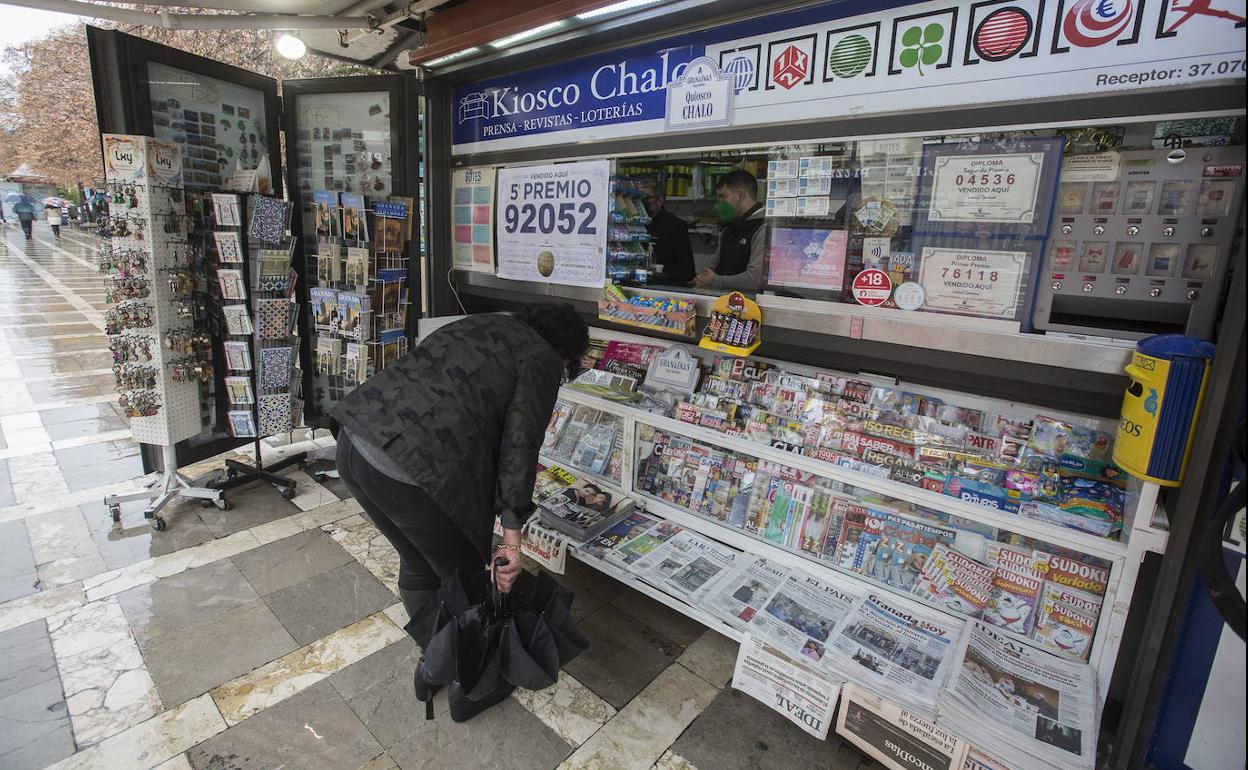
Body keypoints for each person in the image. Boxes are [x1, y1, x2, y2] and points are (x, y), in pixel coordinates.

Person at [333, 303, 589, 619]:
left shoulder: (482, 321)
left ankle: (436, 659)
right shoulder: (541, 357)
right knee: (466, 581)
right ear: (566, 352)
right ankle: (460, 665)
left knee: (418, 564)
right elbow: (520, 446)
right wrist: (511, 540)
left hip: (354, 443)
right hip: (407, 470)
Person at [692, 169, 766, 291]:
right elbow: (714, 267)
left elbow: (755, 279)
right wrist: (702, 279)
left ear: (741, 195)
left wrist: (716, 281)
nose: (718, 204)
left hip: (749, 306)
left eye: (723, 197)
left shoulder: (762, 228)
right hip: (722, 304)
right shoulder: (729, 230)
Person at [637, 177, 695, 283]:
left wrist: (663, 276)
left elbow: (688, 271)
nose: (641, 203)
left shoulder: (676, 227)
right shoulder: (633, 224)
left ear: (659, 201)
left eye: (646, 199)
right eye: (637, 199)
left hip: (665, 289)